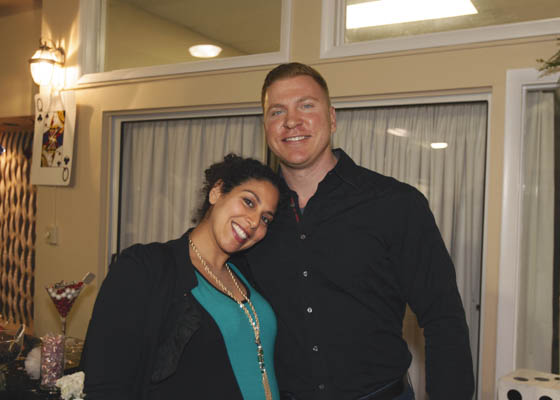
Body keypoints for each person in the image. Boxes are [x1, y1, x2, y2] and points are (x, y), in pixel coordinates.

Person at [245, 63, 475, 400]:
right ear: (266, 127)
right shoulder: (249, 216)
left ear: (332, 118)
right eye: (277, 111)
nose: (291, 121)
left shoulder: (396, 204)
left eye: (306, 106)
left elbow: (443, 318)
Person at [81, 154, 287, 400]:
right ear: (217, 192)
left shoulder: (246, 273)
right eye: (249, 202)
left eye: (265, 218)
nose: (254, 222)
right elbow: (104, 383)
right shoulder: (145, 268)